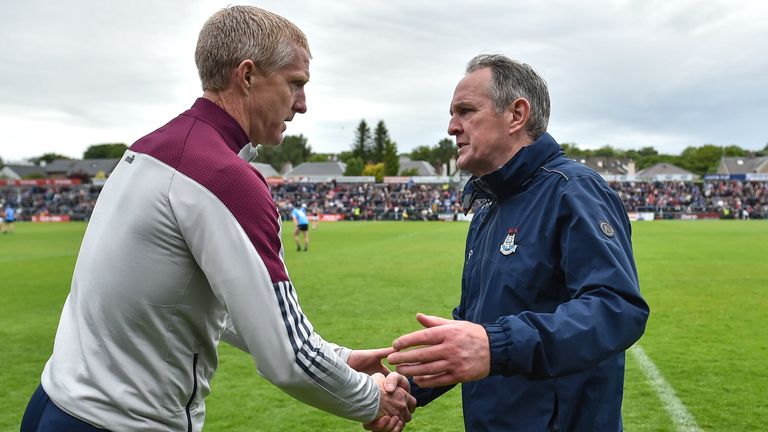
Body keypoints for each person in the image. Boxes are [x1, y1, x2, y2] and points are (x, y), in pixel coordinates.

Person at [21, 6, 414, 432]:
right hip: (122, 421)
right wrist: (373, 399)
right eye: (294, 84)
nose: (301, 104)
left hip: (54, 402)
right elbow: (285, 357)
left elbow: (189, 301)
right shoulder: (225, 177)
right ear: (247, 76)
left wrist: (338, 359)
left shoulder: (148, 149)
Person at [381, 54, 650, 431]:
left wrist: (496, 345)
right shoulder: (488, 207)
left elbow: (617, 309)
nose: (451, 127)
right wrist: (409, 387)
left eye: (466, 111)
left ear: (517, 115)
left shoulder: (573, 190)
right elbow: (478, 326)